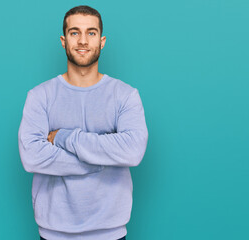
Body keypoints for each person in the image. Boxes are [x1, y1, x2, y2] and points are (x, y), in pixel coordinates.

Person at [18, 5, 148, 240]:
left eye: (91, 32)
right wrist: (103, 157)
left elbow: (133, 150)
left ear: (102, 40)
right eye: (74, 32)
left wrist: (61, 137)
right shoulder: (40, 96)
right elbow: (32, 156)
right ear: (63, 40)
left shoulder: (125, 95)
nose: (83, 41)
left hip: (111, 232)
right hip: (54, 232)